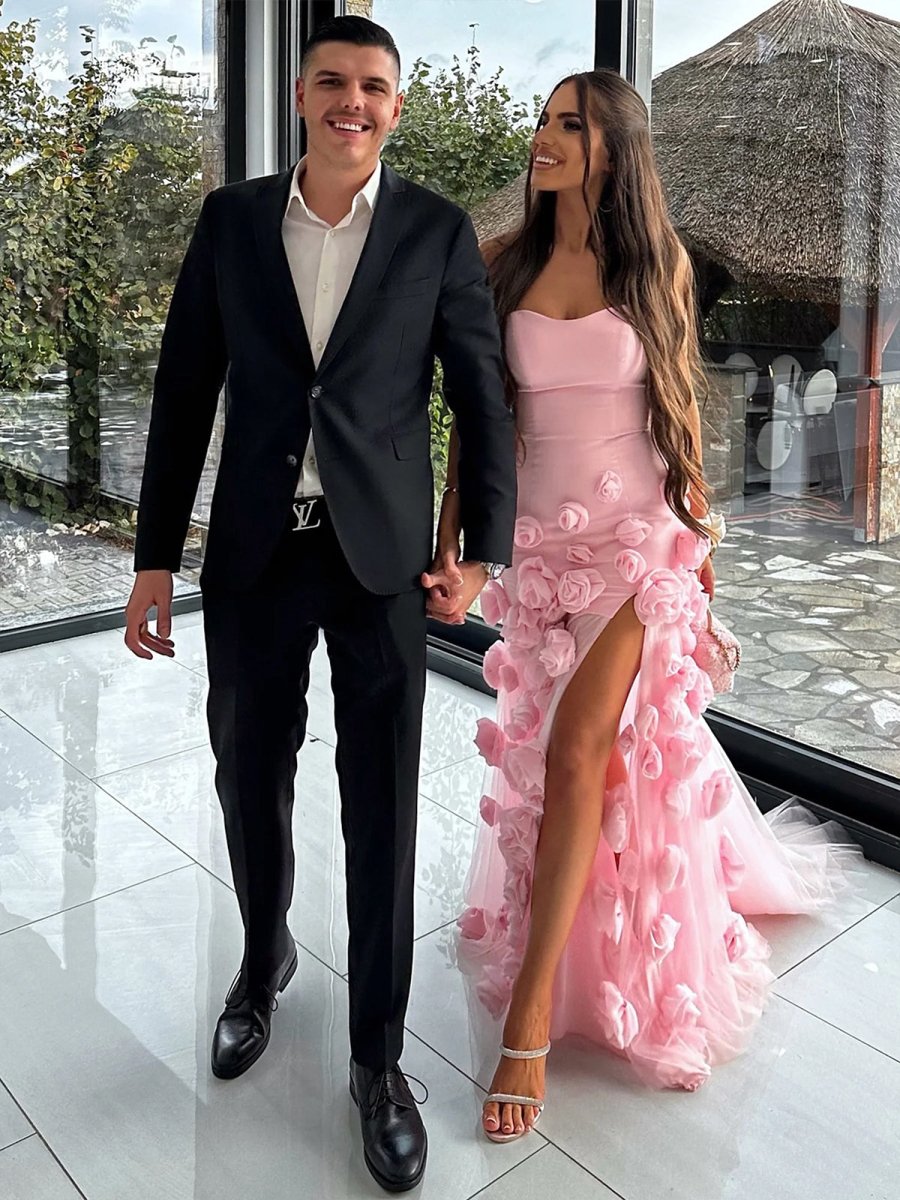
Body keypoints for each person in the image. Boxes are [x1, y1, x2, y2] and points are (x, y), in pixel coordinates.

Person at [124, 15, 516, 1192]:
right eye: (334, 81)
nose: (355, 102)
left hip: (379, 559)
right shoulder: (232, 221)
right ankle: (263, 962)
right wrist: (154, 555)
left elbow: (481, 397)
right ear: (301, 94)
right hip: (255, 551)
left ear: (396, 105)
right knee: (249, 772)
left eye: (375, 87)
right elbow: (184, 386)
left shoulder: (437, 230)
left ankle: (379, 1060)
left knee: (380, 800)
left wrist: (483, 553)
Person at [429, 69, 855, 1142]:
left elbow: (677, 407)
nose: (545, 136)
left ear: (614, 147)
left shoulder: (655, 262)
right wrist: (458, 546)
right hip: (540, 545)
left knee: (578, 748)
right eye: (544, 120)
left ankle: (530, 1019)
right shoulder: (502, 263)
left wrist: (699, 549)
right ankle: (589, 937)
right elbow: (479, 421)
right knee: (568, 763)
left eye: (570, 124)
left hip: (637, 541)